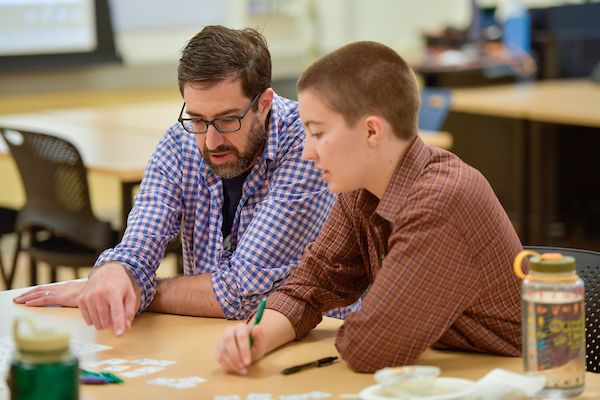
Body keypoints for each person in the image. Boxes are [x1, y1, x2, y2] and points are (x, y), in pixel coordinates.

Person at [215, 41, 523, 374]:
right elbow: (309, 286)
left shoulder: (441, 201)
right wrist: (255, 336)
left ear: (371, 131)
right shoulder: (360, 190)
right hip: (445, 374)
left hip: (515, 380)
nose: (307, 152)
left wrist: (367, 319)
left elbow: (369, 348)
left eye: (317, 133)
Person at [13, 25, 341, 336]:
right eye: (197, 120)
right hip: (210, 334)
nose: (211, 142)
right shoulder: (178, 142)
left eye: (228, 120)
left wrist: (138, 291)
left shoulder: (306, 146)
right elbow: (136, 250)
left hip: (320, 342)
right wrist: (115, 274)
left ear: (264, 104)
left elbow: (239, 292)